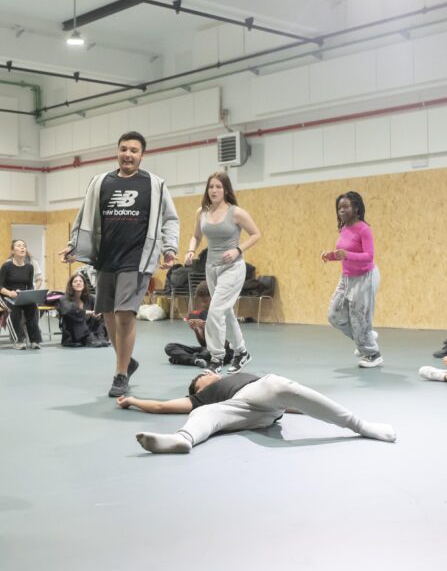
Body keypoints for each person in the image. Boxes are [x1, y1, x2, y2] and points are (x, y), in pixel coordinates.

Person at [58, 131, 179, 397]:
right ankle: (127, 360)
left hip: (137, 259)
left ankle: (121, 373)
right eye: (124, 149)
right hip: (105, 259)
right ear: (117, 151)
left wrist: (170, 248)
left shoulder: (154, 185)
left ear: (142, 155)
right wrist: (73, 245)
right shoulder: (101, 183)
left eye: (134, 151)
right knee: (108, 315)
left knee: (125, 314)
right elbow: (84, 217)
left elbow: (170, 219)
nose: (128, 154)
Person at [116, 370, 396, 454]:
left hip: (264, 401)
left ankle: (360, 426)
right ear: (198, 388)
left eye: (207, 373)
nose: (205, 374)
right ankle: (183, 440)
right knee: (204, 415)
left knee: (278, 384)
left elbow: (293, 401)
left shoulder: (236, 375)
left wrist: (309, 406)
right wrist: (133, 400)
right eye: (201, 377)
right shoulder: (201, 397)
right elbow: (162, 406)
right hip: (239, 410)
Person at [185, 171, 261, 374]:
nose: (214, 190)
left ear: (226, 189)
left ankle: (216, 358)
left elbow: (256, 234)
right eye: (211, 187)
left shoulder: (236, 213)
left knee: (216, 311)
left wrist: (238, 250)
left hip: (233, 268)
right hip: (211, 268)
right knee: (226, 312)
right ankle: (242, 352)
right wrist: (191, 250)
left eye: (218, 186)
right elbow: (196, 236)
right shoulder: (201, 212)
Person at [323, 191, 382, 368]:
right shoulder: (344, 228)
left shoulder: (364, 229)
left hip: (364, 277)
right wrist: (331, 256)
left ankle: (373, 354)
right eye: (339, 207)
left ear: (356, 208)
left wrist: (347, 255)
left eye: (346, 206)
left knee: (359, 319)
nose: (342, 210)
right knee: (333, 315)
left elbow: (369, 256)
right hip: (347, 277)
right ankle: (366, 338)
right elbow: (344, 255)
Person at [0, 239, 43, 350]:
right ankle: (19, 340)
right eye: (19, 246)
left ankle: (35, 340)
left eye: (24, 246)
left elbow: (29, 286)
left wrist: (31, 294)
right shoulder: (6, 266)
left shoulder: (29, 267)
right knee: (15, 309)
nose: (22, 248)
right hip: (7, 296)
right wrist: (10, 293)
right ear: (13, 250)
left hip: (22, 295)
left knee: (33, 307)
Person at [59, 272, 109, 347]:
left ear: (84, 285)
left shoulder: (91, 298)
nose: (78, 283)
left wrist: (98, 315)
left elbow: (100, 309)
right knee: (77, 317)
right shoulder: (64, 299)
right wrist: (85, 312)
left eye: (80, 281)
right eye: (75, 281)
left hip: (89, 329)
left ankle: (100, 338)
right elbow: (68, 311)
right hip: (73, 333)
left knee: (101, 317)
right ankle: (88, 339)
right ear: (71, 285)